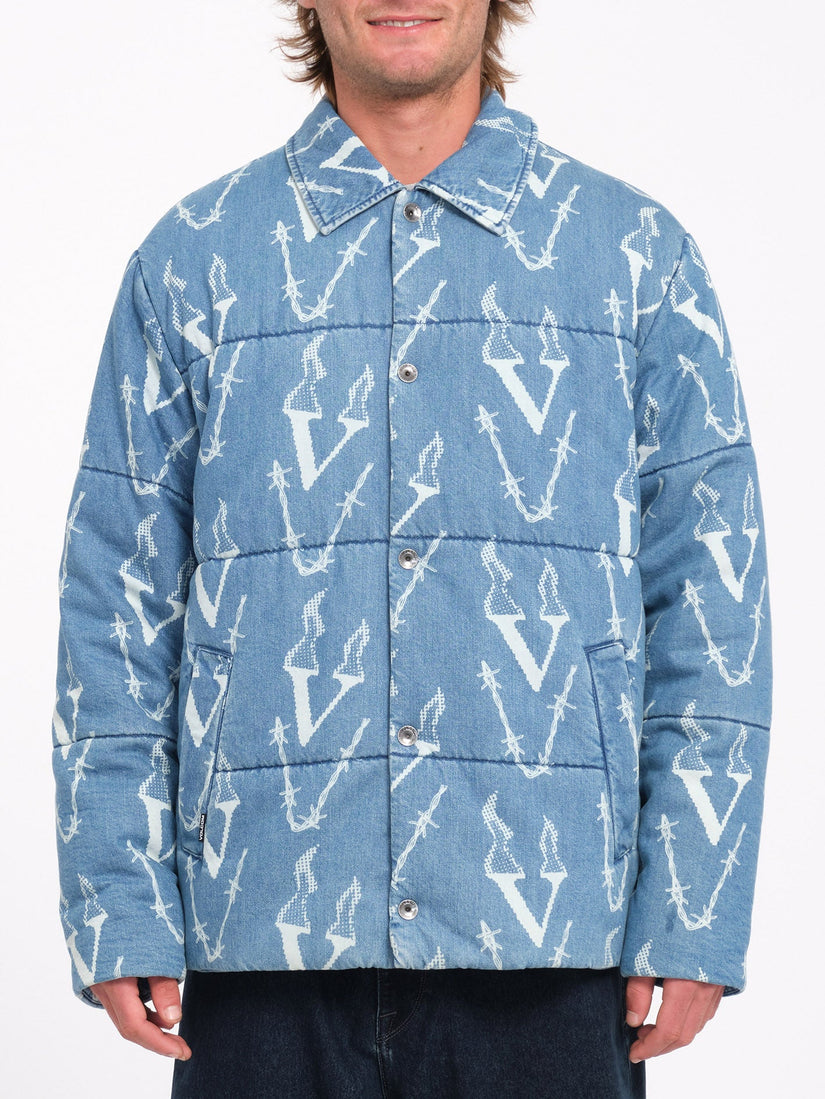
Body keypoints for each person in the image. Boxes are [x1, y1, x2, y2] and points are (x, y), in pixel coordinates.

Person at [51, 2, 772, 1096]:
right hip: (262, 936)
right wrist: (118, 898)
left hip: (553, 958)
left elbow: (713, 602)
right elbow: (115, 598)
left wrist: (692, 906)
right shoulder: (194, 261)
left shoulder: (633, 257)